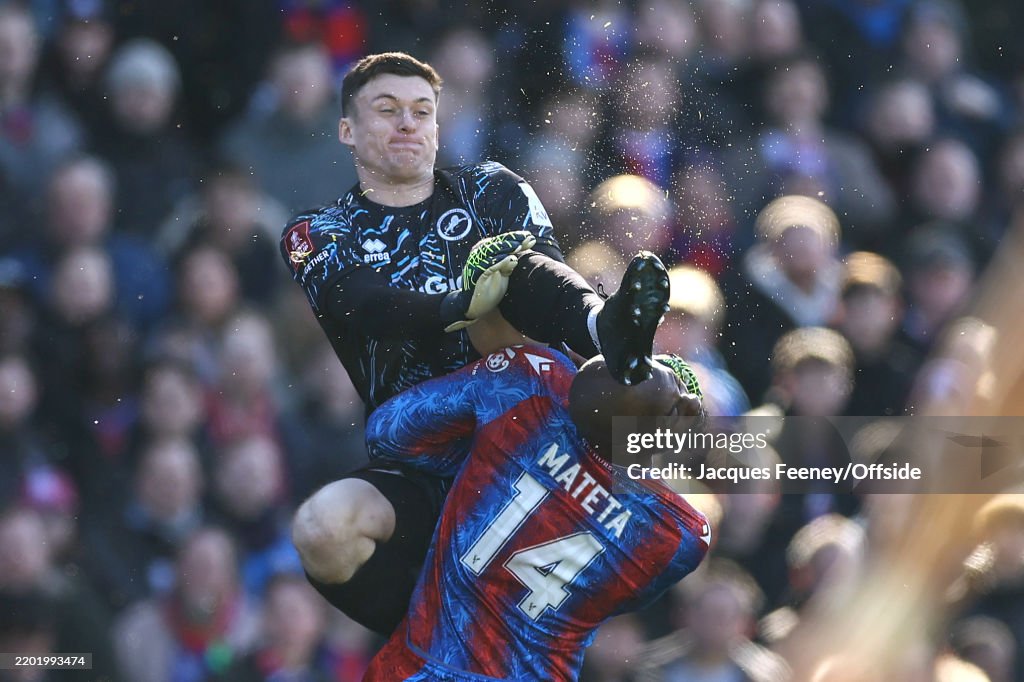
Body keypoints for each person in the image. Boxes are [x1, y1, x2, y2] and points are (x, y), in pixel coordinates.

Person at [285, 52, 672, 635]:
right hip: (423, 462)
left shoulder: (489, 188)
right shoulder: (315, 232)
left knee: (513, 268)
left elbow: (541, 287)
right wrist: (454, 306)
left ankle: (607, 328)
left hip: (534, 449)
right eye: (386, 111)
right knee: (321, 529)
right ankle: (439, 636)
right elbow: (360, 304)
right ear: (348, 130)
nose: (408, 123)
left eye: (422, 111)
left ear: (439, 127)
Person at [357, 305, 711, 680]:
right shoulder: (678, 532)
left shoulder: (534, 383)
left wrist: (481, 463)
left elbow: (386, 433)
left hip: (420, 666)